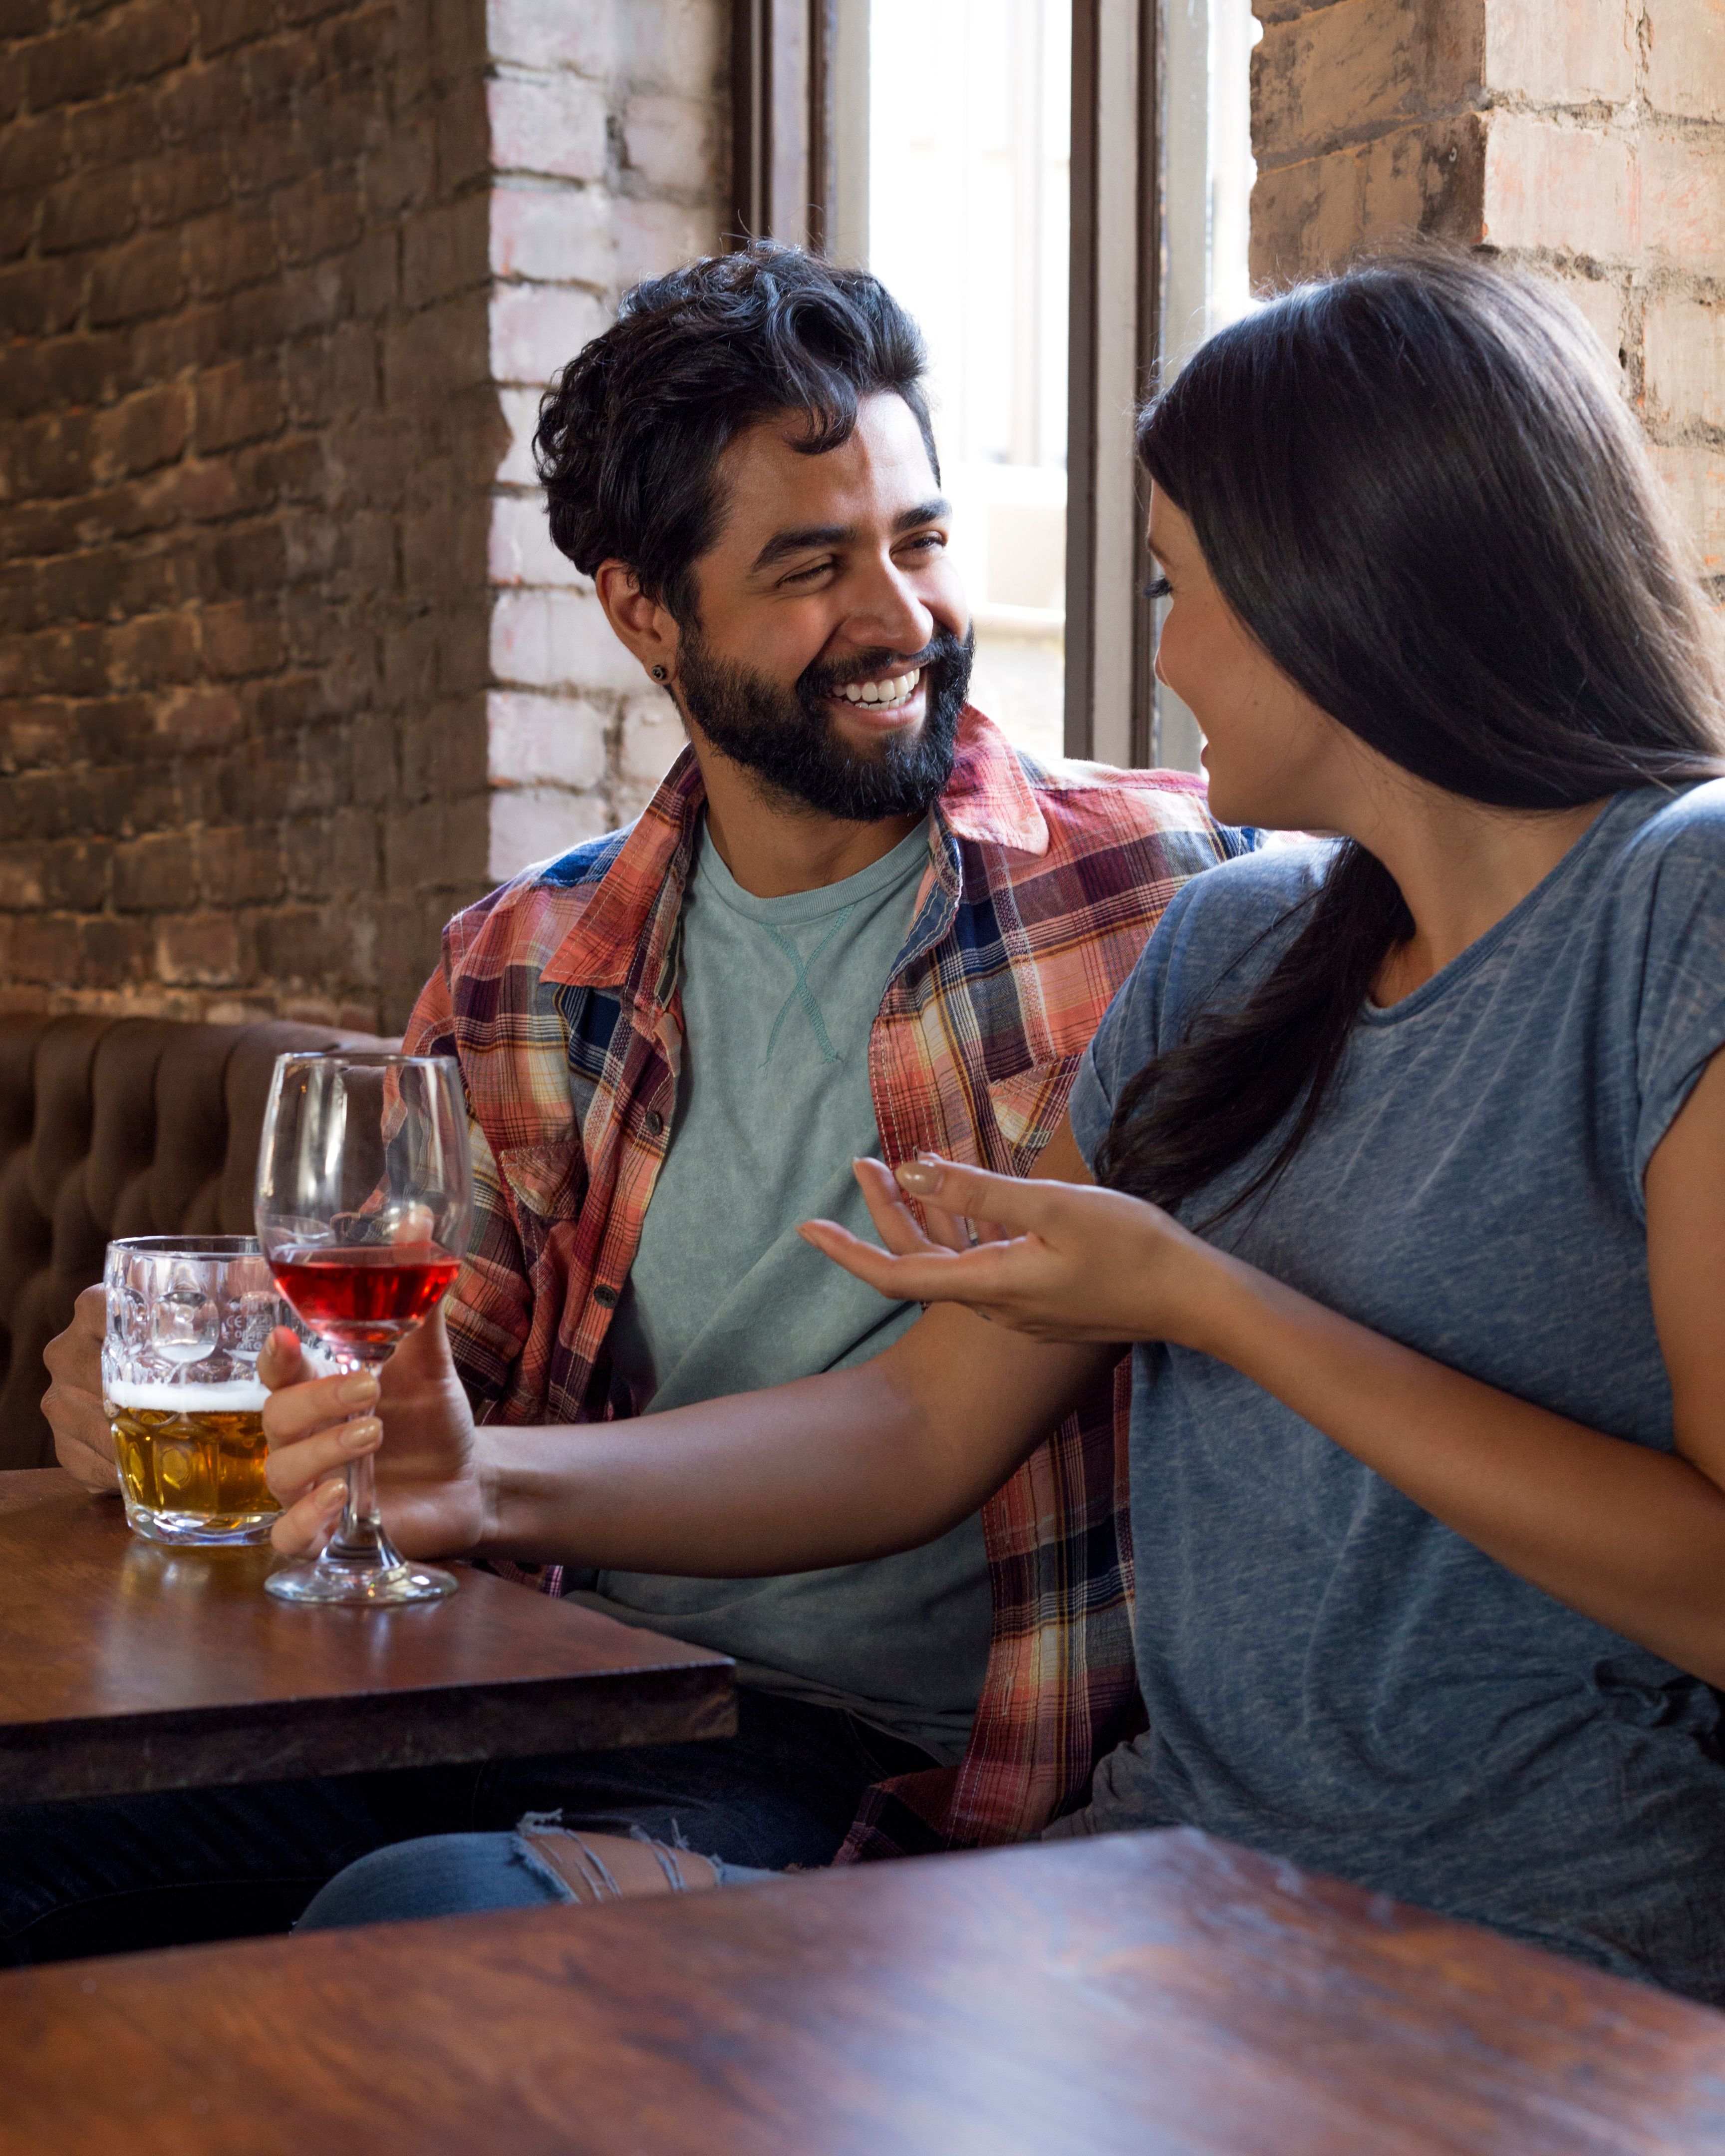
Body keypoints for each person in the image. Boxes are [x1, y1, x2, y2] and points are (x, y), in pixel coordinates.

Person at [276, 251, 1725, 2003]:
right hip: (1157, 1880)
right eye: (813, 563)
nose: (1164, 652)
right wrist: (464, 1476)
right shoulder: (1238, 947)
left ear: (1350, 587)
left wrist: (1203, 1298)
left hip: (1540, 1930)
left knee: (418, 1937)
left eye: (1182, 587)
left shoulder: (1679, 902)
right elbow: (924, 1419)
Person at [23, 244, 1242, 1962]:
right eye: (813, 567)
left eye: (920, 541)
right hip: (533, 1689)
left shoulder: (1165, 895)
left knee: (438, 1929)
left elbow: (888, 1434)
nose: (902, 618)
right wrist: (202, 1416)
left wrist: (467, 1480)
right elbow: (417, 1407)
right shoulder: (526, 965)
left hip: (897, 1761)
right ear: (641, 610)